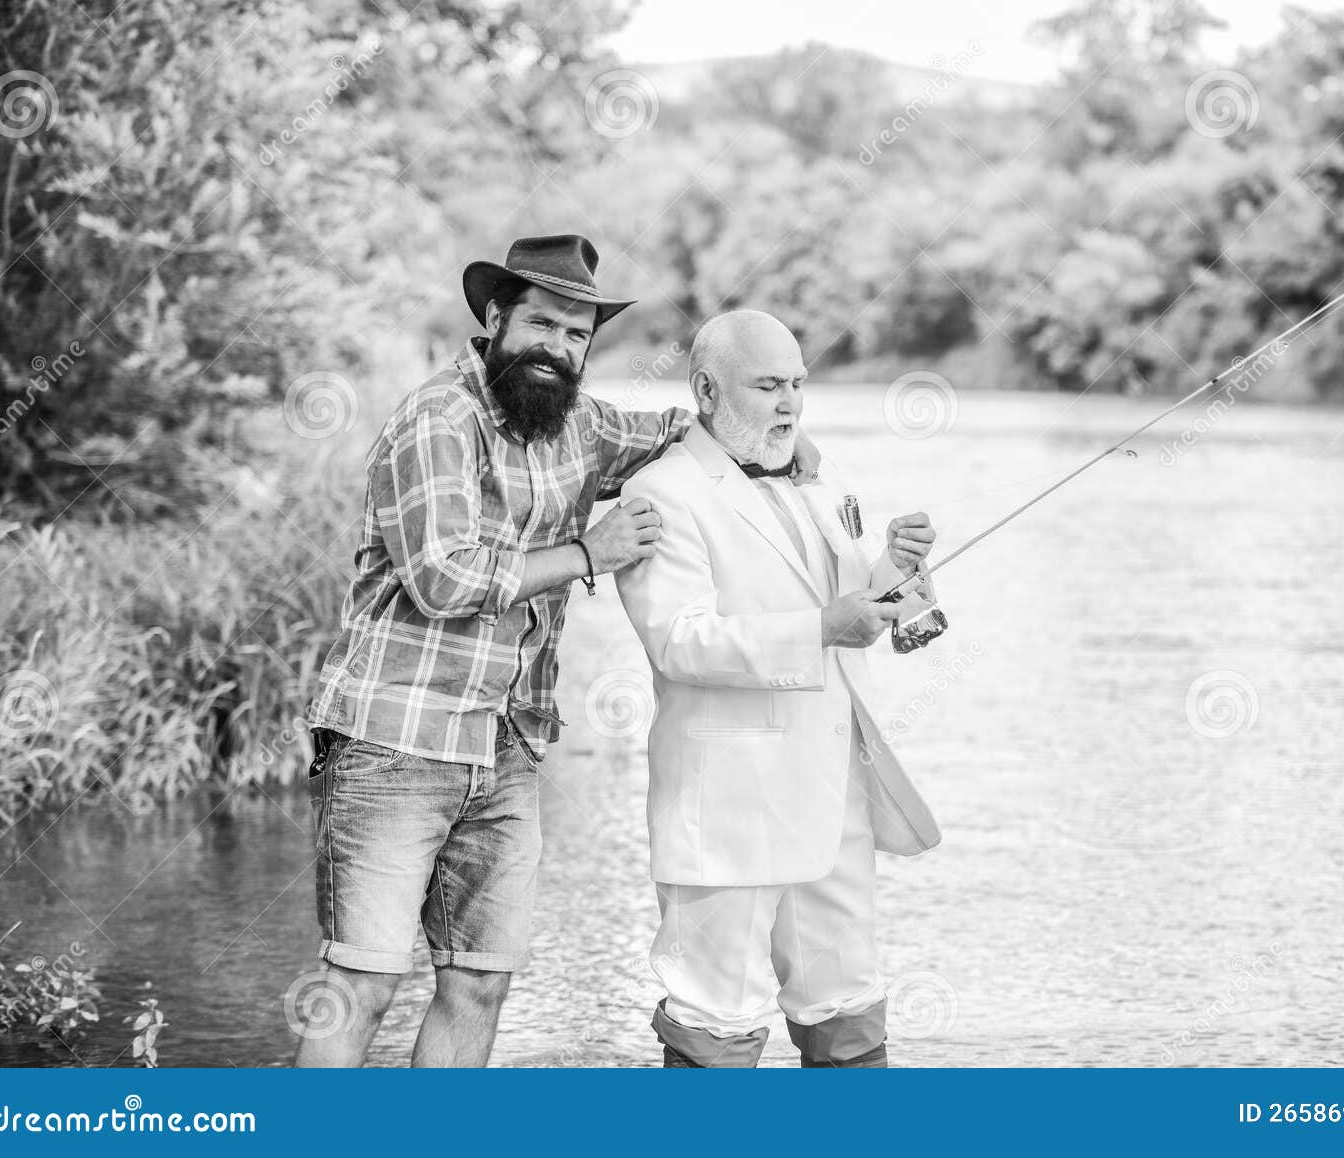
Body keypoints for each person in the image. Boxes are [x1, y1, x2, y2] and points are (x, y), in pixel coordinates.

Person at [295, 237, 820, 1067]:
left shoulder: (579, 426)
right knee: (363, 980)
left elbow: (685, 430)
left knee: (478, 982)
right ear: (496, 318)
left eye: (577, 336)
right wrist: (589, 553)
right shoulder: (439, 417)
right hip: (395, 740)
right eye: (542, 324)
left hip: (507, 747)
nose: (558, 348)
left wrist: (776, 441)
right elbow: (441, 577)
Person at [615, 309, 942, 1068]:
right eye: (767, 385)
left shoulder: (824, 482)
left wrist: (898, 566)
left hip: (835, 802)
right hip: (728, 807)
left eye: (797, 383)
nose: (790, 403)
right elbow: (679, 640)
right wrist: (823, 627)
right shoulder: (662, 491)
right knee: (714, 1024)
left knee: (850, 1013)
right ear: (704, 388)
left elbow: (865, 607)